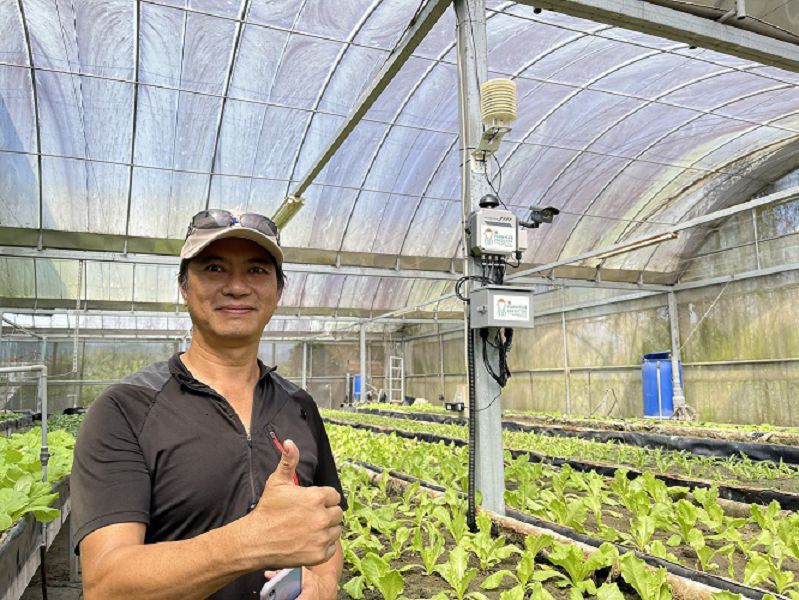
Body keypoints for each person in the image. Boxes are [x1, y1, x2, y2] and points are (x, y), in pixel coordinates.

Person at [70, 209, 346, 599]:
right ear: (184, 286)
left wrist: (324, 582)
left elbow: (328, 526)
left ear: (279, 291)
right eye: (214, 268)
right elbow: (106, 584)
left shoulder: (299, 406)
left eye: (256, 270)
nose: (237, 287)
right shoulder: (125, 410)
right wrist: (250, 541)